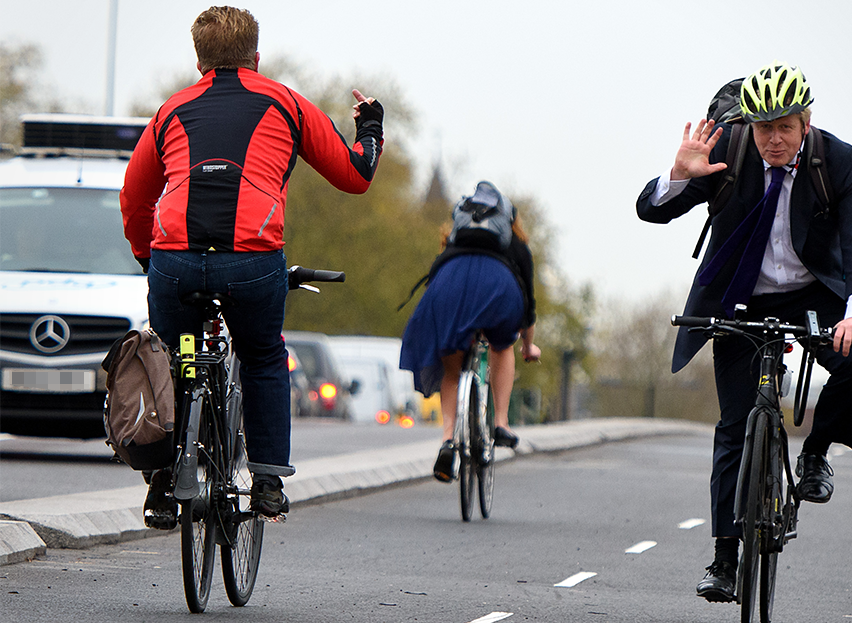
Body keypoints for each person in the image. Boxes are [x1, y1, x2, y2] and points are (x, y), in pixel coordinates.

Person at [119, 6, 384, 524]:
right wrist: (371, 125)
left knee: (172, 360)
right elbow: (356, 174)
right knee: (262, 356)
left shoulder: (171, 111)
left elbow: (133, 198)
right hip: (253, 262)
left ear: (199, 61)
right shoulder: (285, 103)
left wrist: (149, 258)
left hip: (175, 261)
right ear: (255, 57)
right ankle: (265, 482)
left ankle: (158, 481)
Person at [635, 61, 852, 603]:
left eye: (784, 128)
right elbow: (652, 212)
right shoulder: (731, 148)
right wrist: (678, 175)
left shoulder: (838, 161)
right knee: (734, 423)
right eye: (763, 127)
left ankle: (815, 452)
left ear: (805, 123)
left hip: (816, 290)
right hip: (740, 293)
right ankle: (724, 558)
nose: (772, 139)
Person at [399, 181, 541, 482]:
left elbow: (435, 277)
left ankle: (448, 439)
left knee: (453, 369)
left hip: (449, 285)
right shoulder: (516, 246)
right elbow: (528, 306)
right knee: (502, 345)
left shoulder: (454, 240)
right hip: (498, 287)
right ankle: (501, 423)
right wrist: (529, 346)